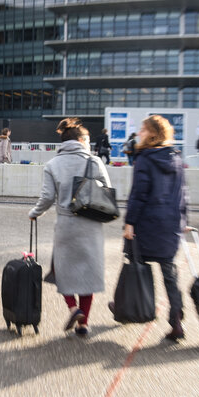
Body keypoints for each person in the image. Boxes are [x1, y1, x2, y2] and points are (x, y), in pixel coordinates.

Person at [28, 118, 109, 338]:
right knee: (87, 274)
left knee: (62, 271)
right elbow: (107, 190)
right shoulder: (95, 162)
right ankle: (84, 324)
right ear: (82, 140)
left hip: (66, 225)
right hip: (91, 224)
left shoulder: (53, 164)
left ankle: (73, 308)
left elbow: (46, 197)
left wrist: (34, 213)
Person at [113, 115, 189, 342]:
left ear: (153, 134)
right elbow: (183, 193)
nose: (139, 133)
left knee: (135, 265)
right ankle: (176, 321)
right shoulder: (176, 157)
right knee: (170, 275)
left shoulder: (145, 158)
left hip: (146, 223)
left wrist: (130, 222)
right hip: (170, 224)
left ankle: (128, 306)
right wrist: (183, 220)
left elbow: (139, 194)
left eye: (143, 130)